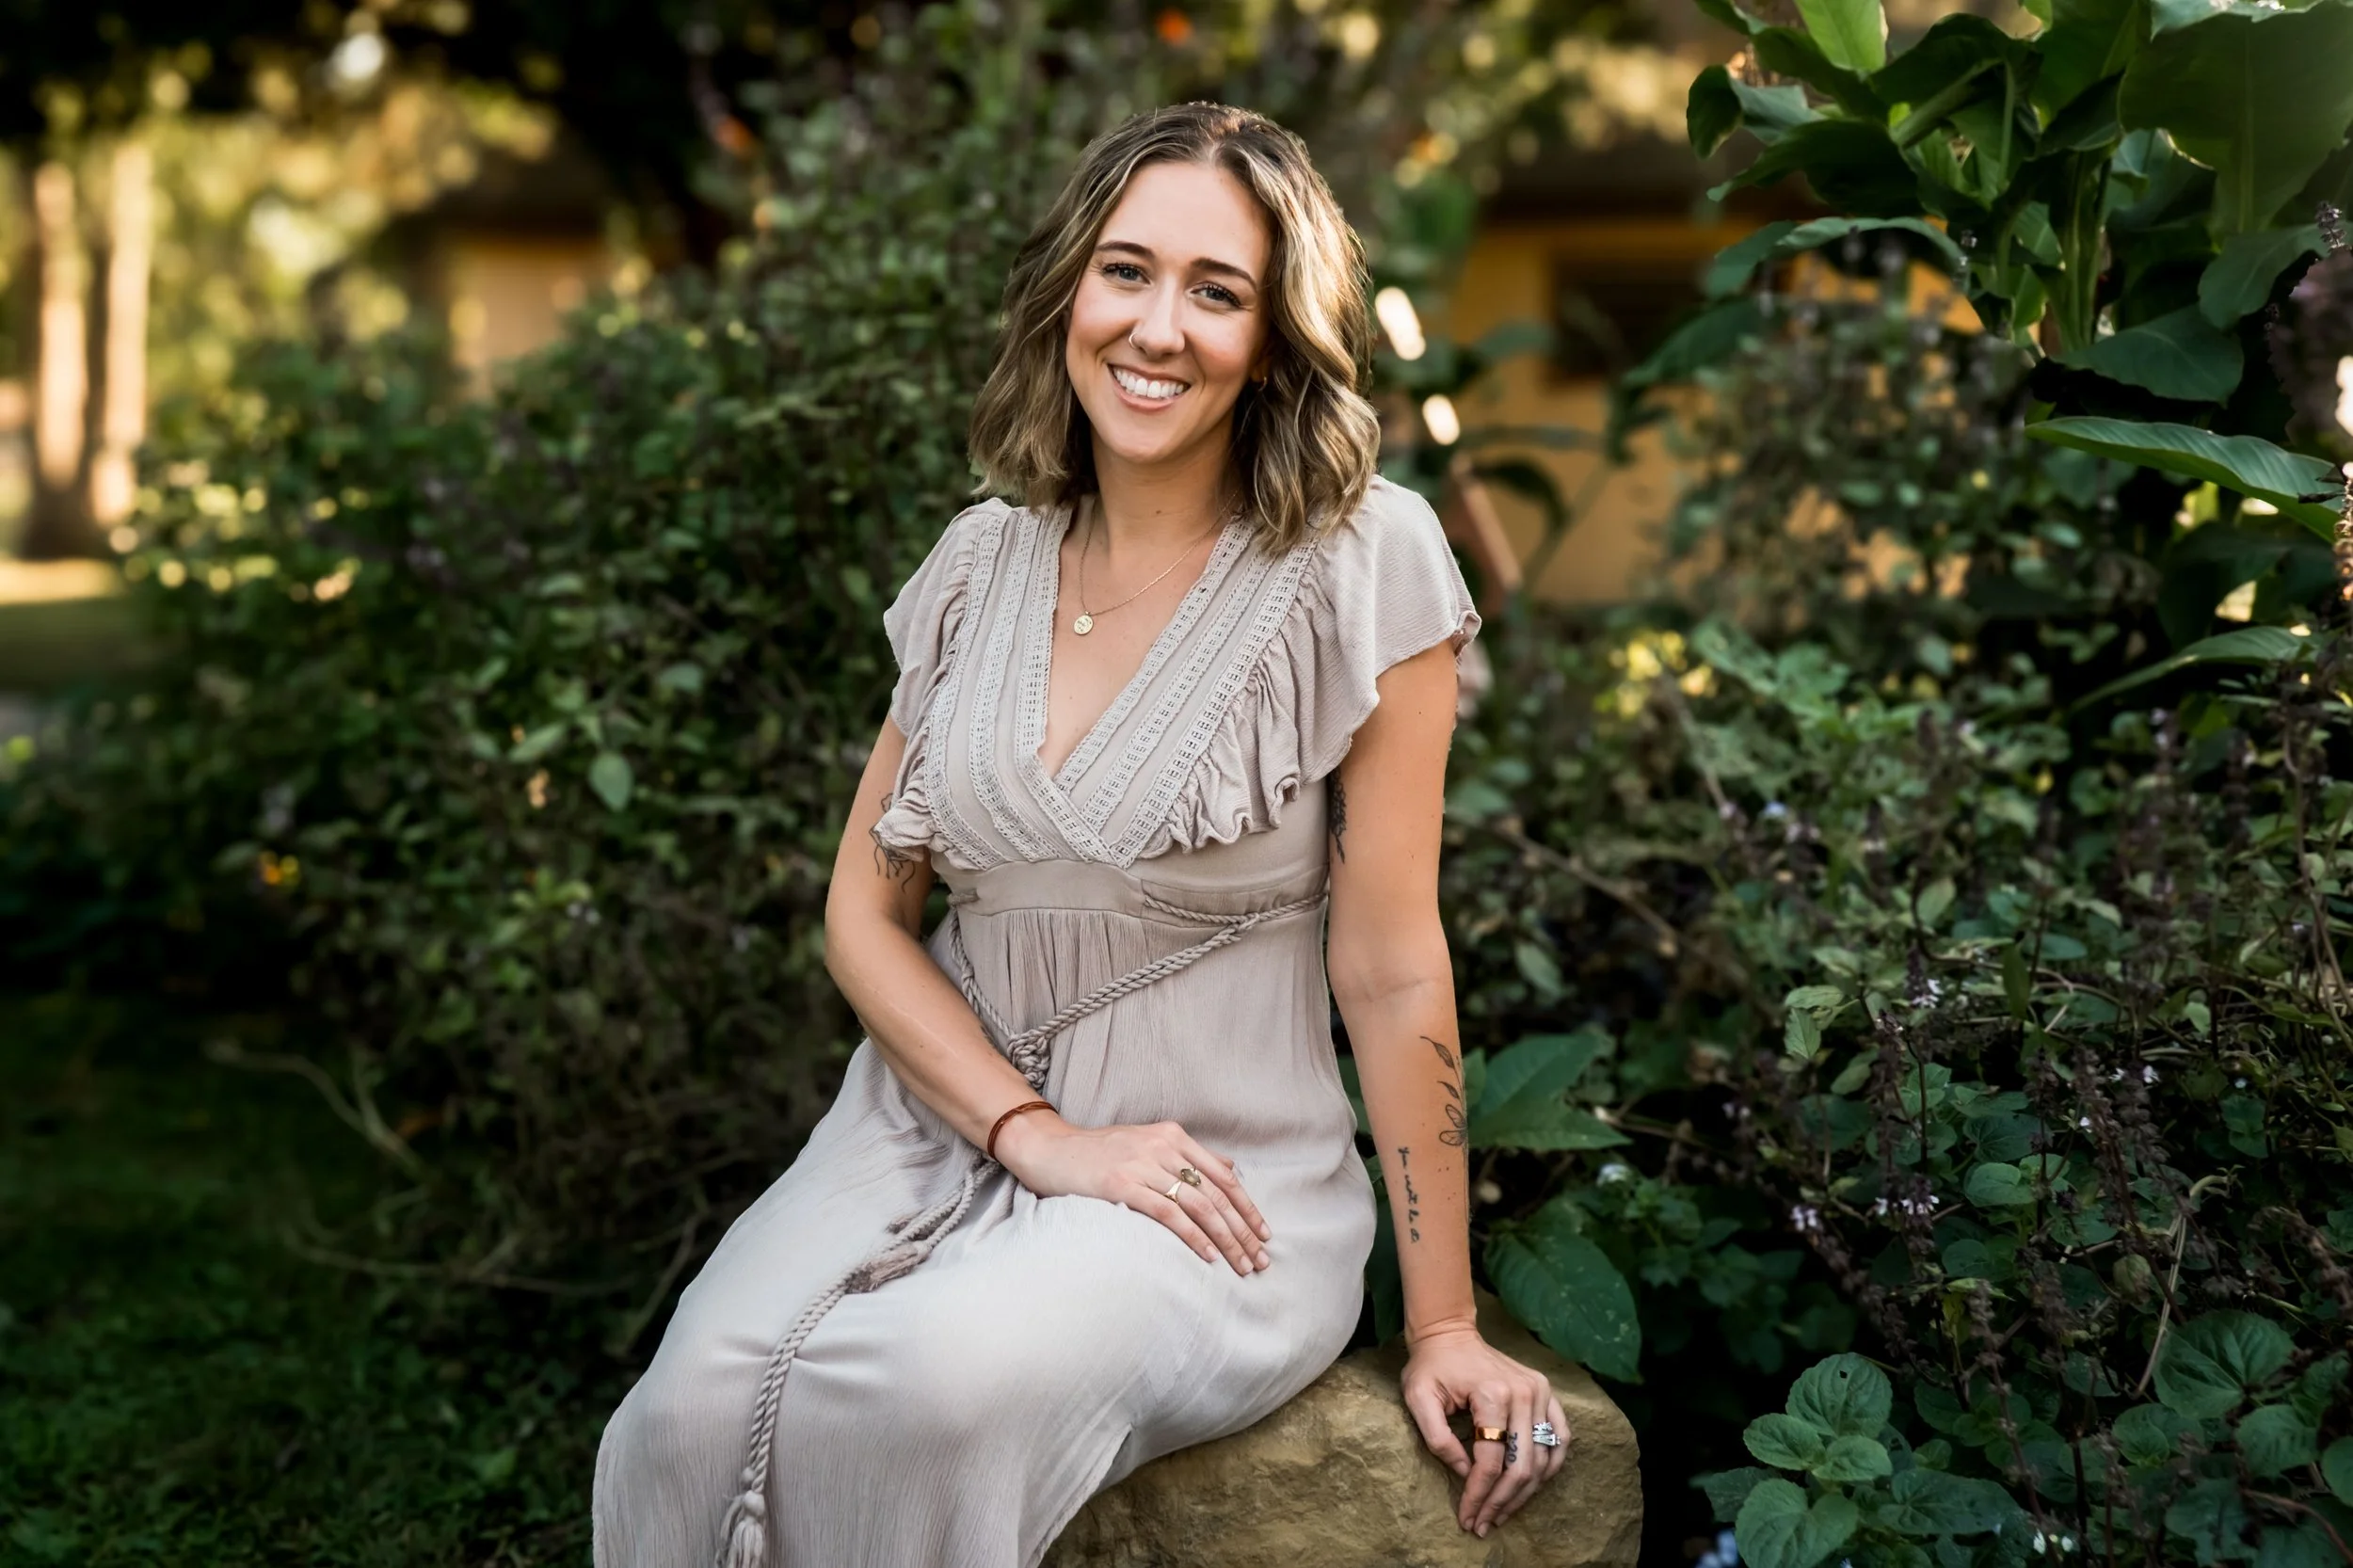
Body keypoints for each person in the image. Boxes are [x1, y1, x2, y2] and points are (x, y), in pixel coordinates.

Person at [593, 100, 1573, 1568]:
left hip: (1214, 1175)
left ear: (1277, 336)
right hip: (924, 1131)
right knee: (683, 1415)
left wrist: (1442, 1322)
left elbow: (1389, 966)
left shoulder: (1367, 559)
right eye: (1127, 271)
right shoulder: (979, 562)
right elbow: (862, 914)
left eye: (1217, 290)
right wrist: (1031, 1133)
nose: (1157, 327)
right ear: (1068, 291)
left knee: (924, 1389)